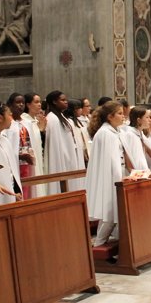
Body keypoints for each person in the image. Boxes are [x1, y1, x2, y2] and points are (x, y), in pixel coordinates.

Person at [86, 101, 130, 246]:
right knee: (109, 213)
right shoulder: (106, 134)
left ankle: (106, 242)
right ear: (110, 117)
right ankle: (98, 244)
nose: (123, 117)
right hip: (110, 177)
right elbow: (111, 160)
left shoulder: (113, 132)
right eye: (120, 113)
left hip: (116, 175)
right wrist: (120, 180)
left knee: (112, 213)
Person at [43, 90, 85, 193]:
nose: (66, 102)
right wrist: (65, 157)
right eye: (62, 100)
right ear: (54, 102)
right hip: (61, 159)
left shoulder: (61, 117)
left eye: (66, 100)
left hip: (69, 156)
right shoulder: (52, 119)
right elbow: (55, 144)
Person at [21, 92, 47, 179]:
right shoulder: (23, 120)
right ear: (28, 104)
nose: (39, 104)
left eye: (40, 102)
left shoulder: (36, 120)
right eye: (36, 102)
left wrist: (42, 130)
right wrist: (40, 129)